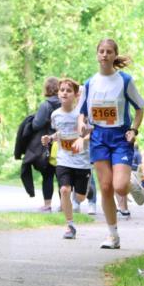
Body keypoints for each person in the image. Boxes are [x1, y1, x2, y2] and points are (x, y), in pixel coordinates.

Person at [77, 38, 144, 249]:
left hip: (120, 138)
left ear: (115, 55)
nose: (105, 55)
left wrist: (133, 130)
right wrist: (82, 127)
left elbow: (140, 108)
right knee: (106, 187)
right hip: (98, 138)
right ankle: (112, 235)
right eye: (101, 51)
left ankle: (130, 181)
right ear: (97, 55)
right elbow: (81, 115)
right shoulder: (89, 84)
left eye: (109, 51)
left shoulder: (124, 81)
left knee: (119, 187)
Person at [41, 78, 91, 239]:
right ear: (58, 93)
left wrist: (82, 140)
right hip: (63, 160)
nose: (64, 93)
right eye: (62, 90)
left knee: (80, 198)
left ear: (76, 95)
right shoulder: (55, 115)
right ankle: (70, 225)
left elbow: (91, 132)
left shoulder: (81, 115)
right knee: (64, 190)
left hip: (82, 162)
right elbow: (60, 133)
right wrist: (50, 138)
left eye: (68, 90)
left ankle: (85, 188)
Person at [31, 77, 61, 211]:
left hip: (48, 142)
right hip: (63, 142)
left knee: (48, 174)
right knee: (62, 175)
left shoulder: (46, 105)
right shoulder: (66, 103)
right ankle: (64, 205)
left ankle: (47, 205)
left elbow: (36, 124)